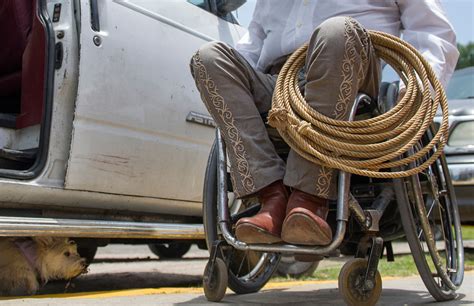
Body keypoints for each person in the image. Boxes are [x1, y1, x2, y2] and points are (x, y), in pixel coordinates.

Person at [190, 0, 458, 246]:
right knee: (209, 58)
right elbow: (253, 45)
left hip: (352, 68)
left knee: (336, 32)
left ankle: (308, 199)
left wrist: (418, 88)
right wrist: (232, 84)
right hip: (280, 82)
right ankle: (272, 197)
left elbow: (432, 29)